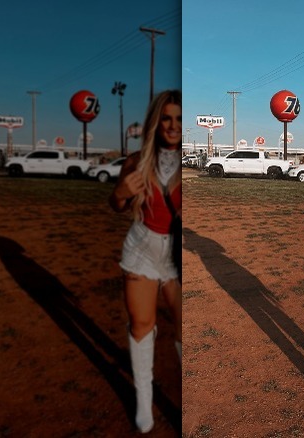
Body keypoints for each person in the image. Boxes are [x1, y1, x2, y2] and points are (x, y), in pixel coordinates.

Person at [109, 89, 182, 434]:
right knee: (141, 325)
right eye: (166, 118)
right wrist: (121, 193)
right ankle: (143, 399)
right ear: (156, 121)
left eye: (179, 119)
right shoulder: (137, 160)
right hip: (141, 248)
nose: (172, 125)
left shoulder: (188, 161)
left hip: (176, 254)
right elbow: (117, 204)